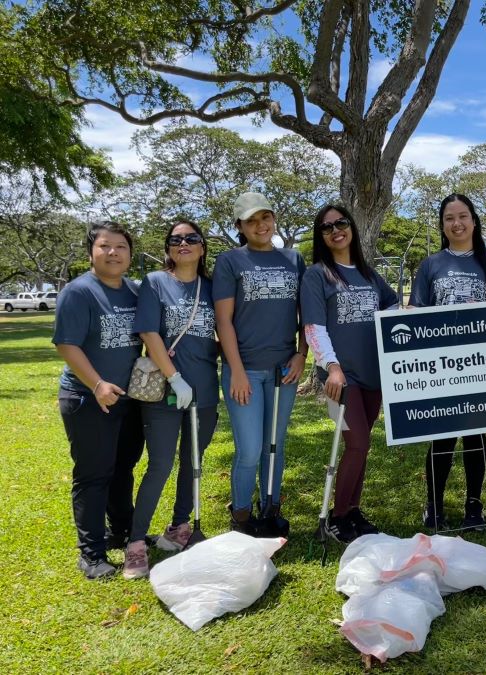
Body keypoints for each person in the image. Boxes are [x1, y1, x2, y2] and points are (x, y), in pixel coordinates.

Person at [409, 193, 486, 531]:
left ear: (474, 221)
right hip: (440, 365)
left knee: (475, 437)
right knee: (440, 437)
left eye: (463, 216)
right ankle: (435, 505)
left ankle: (474, 504)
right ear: (442, 225)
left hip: (480, 363)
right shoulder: (431, 265)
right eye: (449, 218)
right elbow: (417, 312)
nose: (457, 223)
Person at [123, 221, 219, 578]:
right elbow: (149, 331)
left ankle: (180, 527)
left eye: (191, 238)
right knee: (160, 464)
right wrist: (175, 378)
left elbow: (222, 329)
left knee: (193, 462)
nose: (184, 244)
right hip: (164, 391)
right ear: (168, 248)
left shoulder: (211, 287)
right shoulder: (154, 283)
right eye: (176, 239)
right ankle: (135, 543)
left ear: (202, 247)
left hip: (206, 389)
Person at [301, 204, 399, 544]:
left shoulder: (368, 274)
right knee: (356, 442)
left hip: (375, 375)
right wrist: (332, 366)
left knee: (363, 446)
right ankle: (337, 515)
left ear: (351, 227)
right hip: (341, 379)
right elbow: (313, 326)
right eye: (326, 228)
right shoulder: (317, 275)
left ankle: (353, 510)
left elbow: (392, 306)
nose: (335, 230)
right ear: (321, 236)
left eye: (340, 223)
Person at [53, 221, 144, 579]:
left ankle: (120, 531)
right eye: (105, 246)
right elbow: (66, 344)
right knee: (94, 475)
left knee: (123, 469)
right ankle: (91, 554)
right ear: (92, 251)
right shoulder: (79, 292)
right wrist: (97, 384)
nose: (113, 253)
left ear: (130, 254)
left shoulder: (135, 292)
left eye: (120, 246)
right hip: (89, 398)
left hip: (129, 399)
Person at [212, 192, 307, 535]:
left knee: (274, 446)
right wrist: (236, 371)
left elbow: (307, 316)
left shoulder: (294, 260)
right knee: (250, 449)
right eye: (251, 220)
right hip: (245, 371)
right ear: (239, 225)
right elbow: (223, 322)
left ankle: (271, 509)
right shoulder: (230, 261)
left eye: (265, 217)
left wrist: (301, 355)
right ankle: (240, 516)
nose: (260, 225)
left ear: (274, 219)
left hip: (284, 372)